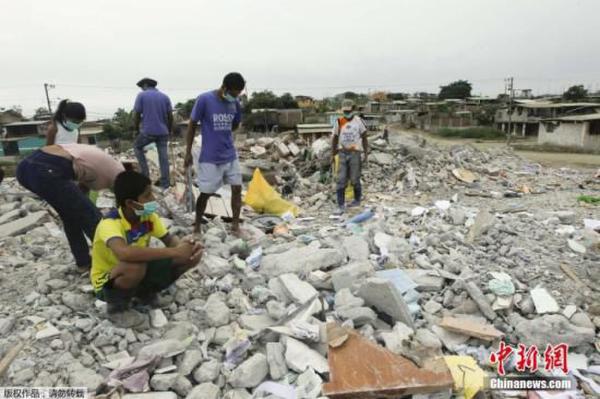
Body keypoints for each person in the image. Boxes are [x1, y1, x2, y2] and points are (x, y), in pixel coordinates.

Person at [91, 171, 202, 326]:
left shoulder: (148, 217)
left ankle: (145, 294)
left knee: (192, 255)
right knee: (136, 265)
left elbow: (170, 240)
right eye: (147, 195)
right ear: (130, 203)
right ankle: (117, 308)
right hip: (108, 279)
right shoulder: (110, 224)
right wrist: (175, 252)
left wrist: (186, 246)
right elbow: (125, 254)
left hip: (138, 269)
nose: (153, 199)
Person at [16, 144, 125, 269]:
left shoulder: (99, 165)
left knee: (70, 215)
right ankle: (113, 260)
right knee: (91, 216)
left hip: (26, 168)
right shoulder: (117, 174)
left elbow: (82, 189)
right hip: (45, 169)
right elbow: (126, 200)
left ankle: (84, 261)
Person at [184, 72, 245, 235]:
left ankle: (235, 225)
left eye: (238, 94)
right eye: (233, 94)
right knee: (206, 193)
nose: (235, 97)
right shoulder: (204, 99)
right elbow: (191, 125)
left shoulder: (235, 103)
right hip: (210, 157)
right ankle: (197, 225)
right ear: (224, 88)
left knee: (237, 189)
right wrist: (188, 152)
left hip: (230, 154)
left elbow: (235, 123)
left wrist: (224, 133)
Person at [132, 78, 173, 189]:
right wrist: (169, 130)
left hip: (148, 132)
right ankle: (165, 184)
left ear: (145, 85)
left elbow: (136, 114)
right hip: (163, 132)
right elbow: (170, 116)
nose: (141, 88)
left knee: (136, 146)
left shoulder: (142, 95)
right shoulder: (165, 97)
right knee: (163, 158)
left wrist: (135, 130)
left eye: (141, 86)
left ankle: (146, 177)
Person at [331, 99, 369, 214]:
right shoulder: (339, 121)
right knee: (341, 179)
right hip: (342, 152)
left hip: (355, 153)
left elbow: (365, 137)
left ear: (353, 109)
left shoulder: (359, 122)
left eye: (349, 110)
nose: (347, 113)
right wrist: (333, 155)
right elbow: (335, 138)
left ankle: (357, 200)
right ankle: (341, 204)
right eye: (345, 111)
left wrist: (366, 153)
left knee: (355, 179)